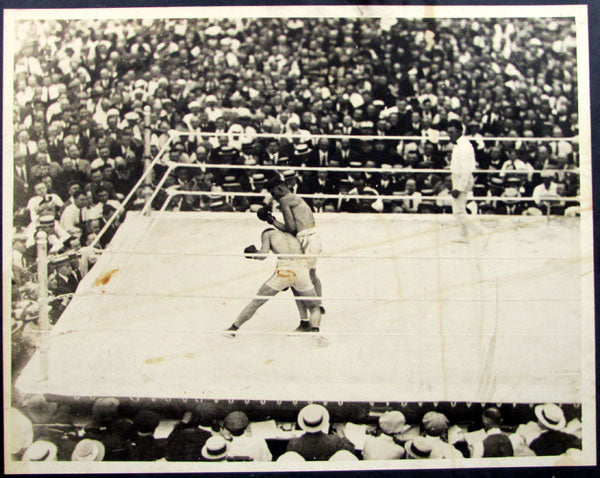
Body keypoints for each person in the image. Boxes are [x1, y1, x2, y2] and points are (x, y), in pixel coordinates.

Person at [224, 227, 325, 345]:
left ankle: (233, 329)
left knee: (257, 302)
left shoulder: (267, 234)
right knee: (314, 307)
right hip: (302, 268)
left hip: (285, 269)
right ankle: (316, 333)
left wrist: (253, 254)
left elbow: (263, 255)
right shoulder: (290, 235)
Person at [258, 178, 324, 332]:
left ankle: (308, 319)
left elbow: (291, 228)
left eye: (273, 193)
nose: (274, 197)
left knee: (302, 279)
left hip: (307, 239)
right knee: (311, 275)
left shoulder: (285, 200)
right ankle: (318, 308)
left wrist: (271, 221)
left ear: (280, 188)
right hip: (312, 237)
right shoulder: (294, 198)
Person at [447, 119, 485, 243]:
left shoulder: (464, 146)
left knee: (459, 211)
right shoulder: (459, 144)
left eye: (452, 132)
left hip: (462, 179)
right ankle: (464, 235)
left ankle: (483, 231)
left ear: (459, 132)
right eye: (449, 132)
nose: (449, 135)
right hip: (458, 178)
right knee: (458, 210)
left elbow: (466, 170)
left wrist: (459, 188)